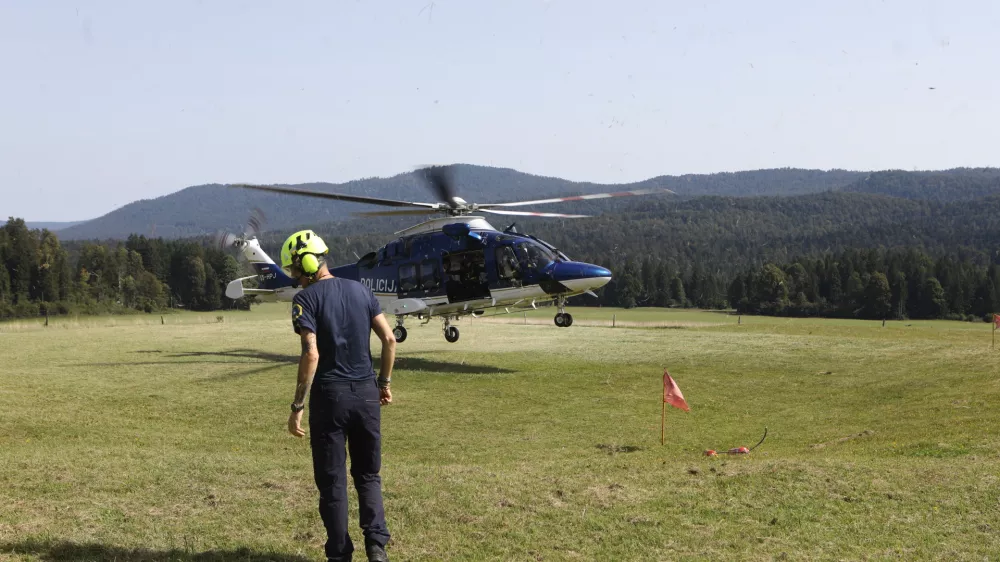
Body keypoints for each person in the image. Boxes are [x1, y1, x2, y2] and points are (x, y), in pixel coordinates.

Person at [280, 229, 396, 562]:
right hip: (366, 394)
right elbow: (390, 340)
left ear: (305, 263)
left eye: (293, 269)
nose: (293, 277)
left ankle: (340, 554)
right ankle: (376, 547)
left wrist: (297, 406)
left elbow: (311, 354)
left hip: (329, 399)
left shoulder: (305, 300)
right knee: (368, 474)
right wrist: (384, 384)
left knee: (332, 482)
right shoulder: (361, 290)